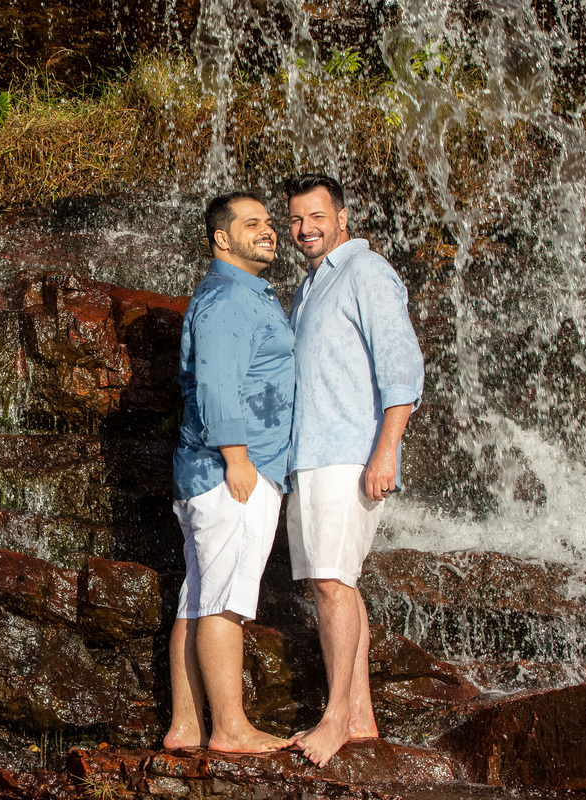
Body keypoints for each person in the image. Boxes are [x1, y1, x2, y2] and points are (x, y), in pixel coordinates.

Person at [283, 173, 424, 766]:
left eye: (317, 217)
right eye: (296, 219)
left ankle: (336, 716)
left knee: (331, 584)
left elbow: (403, 367)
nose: (305, 229)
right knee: (339, 581)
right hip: (310, 456)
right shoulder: (310, 286)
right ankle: (361, 714)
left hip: (348, 455)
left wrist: (385, 450)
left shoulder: (366, 271)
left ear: (342, 218)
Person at [165, 192, 296, 754]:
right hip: (234, 469)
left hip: (211, 471)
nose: (268, 230)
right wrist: (238, 459)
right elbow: (218, 383)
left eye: (268, 222)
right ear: (222, 238)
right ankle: (230, 728)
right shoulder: (229, 299)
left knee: (198, 599)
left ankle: (186, 726)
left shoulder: (239, 293)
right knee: (224, 600)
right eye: (252, 224)